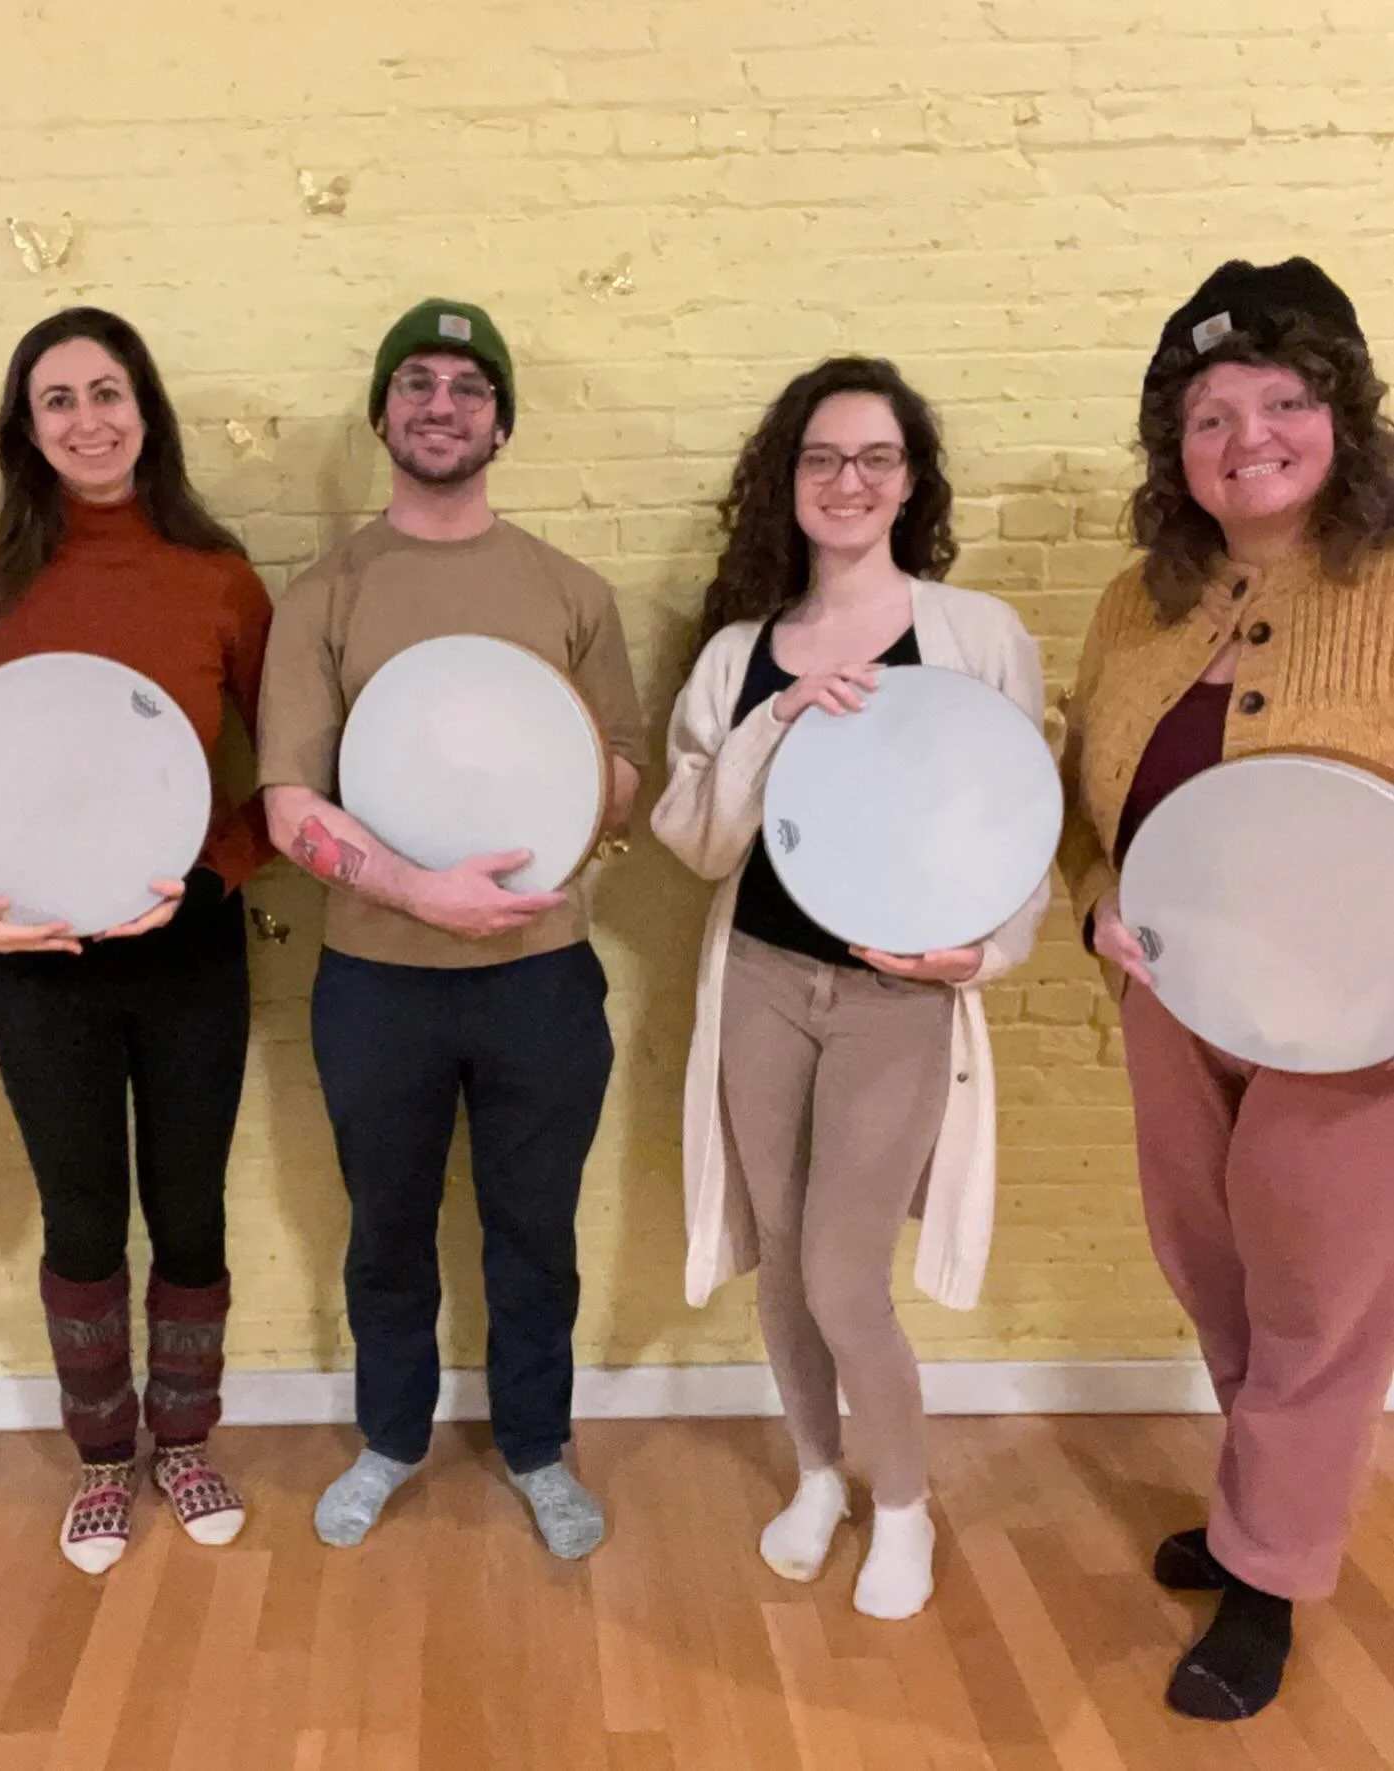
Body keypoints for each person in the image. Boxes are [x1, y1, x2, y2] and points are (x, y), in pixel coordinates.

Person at [651, 356, 1048, 1619]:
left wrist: (977, 957)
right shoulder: (737, 655)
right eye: (822, 458)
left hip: (896, 1004)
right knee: (779, 1262)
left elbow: (1020, 826)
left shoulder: (974, 635)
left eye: (875, 458)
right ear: (788, 479)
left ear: (910, 481)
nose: (848, 481)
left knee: (843, 1276)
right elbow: (700, 844)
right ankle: (818, 1474)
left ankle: (903, 1505)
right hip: (763, 983)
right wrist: (779, 720)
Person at [1059, 258, 1394, 1721]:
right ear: (1171, 446)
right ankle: (1266, 1496)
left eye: (1282, 400)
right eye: (1207, 414)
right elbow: (1081, 809)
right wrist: (1093, 902)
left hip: (1355, 1029)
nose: (1245, 435)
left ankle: (1267, 1573)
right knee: (1215, 1272)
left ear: (1343, 419)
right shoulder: (1136, 604)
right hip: (1176, 1001)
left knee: (1318, 1300)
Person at [257, 298, 646, 1559]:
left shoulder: (569, 591)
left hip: (540, 974)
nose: (439, 403)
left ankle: (538, 1446)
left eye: (467, 386)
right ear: (382, 413)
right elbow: (288, 804)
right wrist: (419, 891)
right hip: (378, 980)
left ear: (502, 421)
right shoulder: (325, 594)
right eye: (415, 382)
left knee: (536, 1226)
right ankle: (389, 1436)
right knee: (386, 1223)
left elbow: (627, 766)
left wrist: (573, 798)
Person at [0, 308, 274, 1572]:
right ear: (26, 432)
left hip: (187, 947)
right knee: (82, 1216)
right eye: (59, 400)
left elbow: (298, 784)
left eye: (109, 392)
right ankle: (105, 1459)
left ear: (145, 412)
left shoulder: (219, 580)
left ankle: (186, 1441)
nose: (88, 419)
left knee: (191, 1204)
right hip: (39, 964)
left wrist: (213, 867)